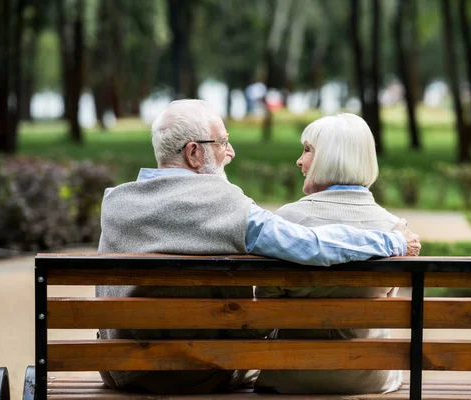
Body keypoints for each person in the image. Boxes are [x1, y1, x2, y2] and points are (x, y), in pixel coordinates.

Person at [96, 100, 420, 394]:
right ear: (194, 153)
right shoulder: (224, 205)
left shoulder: (116, 203)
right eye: (222, 142)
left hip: (121, 370)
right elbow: (310, 244)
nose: (231, 151)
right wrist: (392, 240)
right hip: (199, 374)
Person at [255, 113, 413, 395]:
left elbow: (265, 306)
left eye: (307, 150)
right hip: (369, 378)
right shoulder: (394, 230)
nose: (299, 161)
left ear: (331, 157)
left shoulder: (287, 221)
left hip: (291, 376)